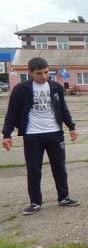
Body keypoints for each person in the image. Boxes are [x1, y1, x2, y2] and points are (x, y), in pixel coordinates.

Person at [2, 57, 80, 214]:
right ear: (30, 73)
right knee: (34, 170)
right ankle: (35, 202)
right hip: (32, 135)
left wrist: (71, 127)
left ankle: (64, 197)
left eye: (46, 72)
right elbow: (12, 112)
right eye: (39, 73)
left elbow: (63, 109)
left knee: (59, 167)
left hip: (54, 133)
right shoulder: (21, 89)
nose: (44, 76)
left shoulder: (56, 87)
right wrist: (7, 134)